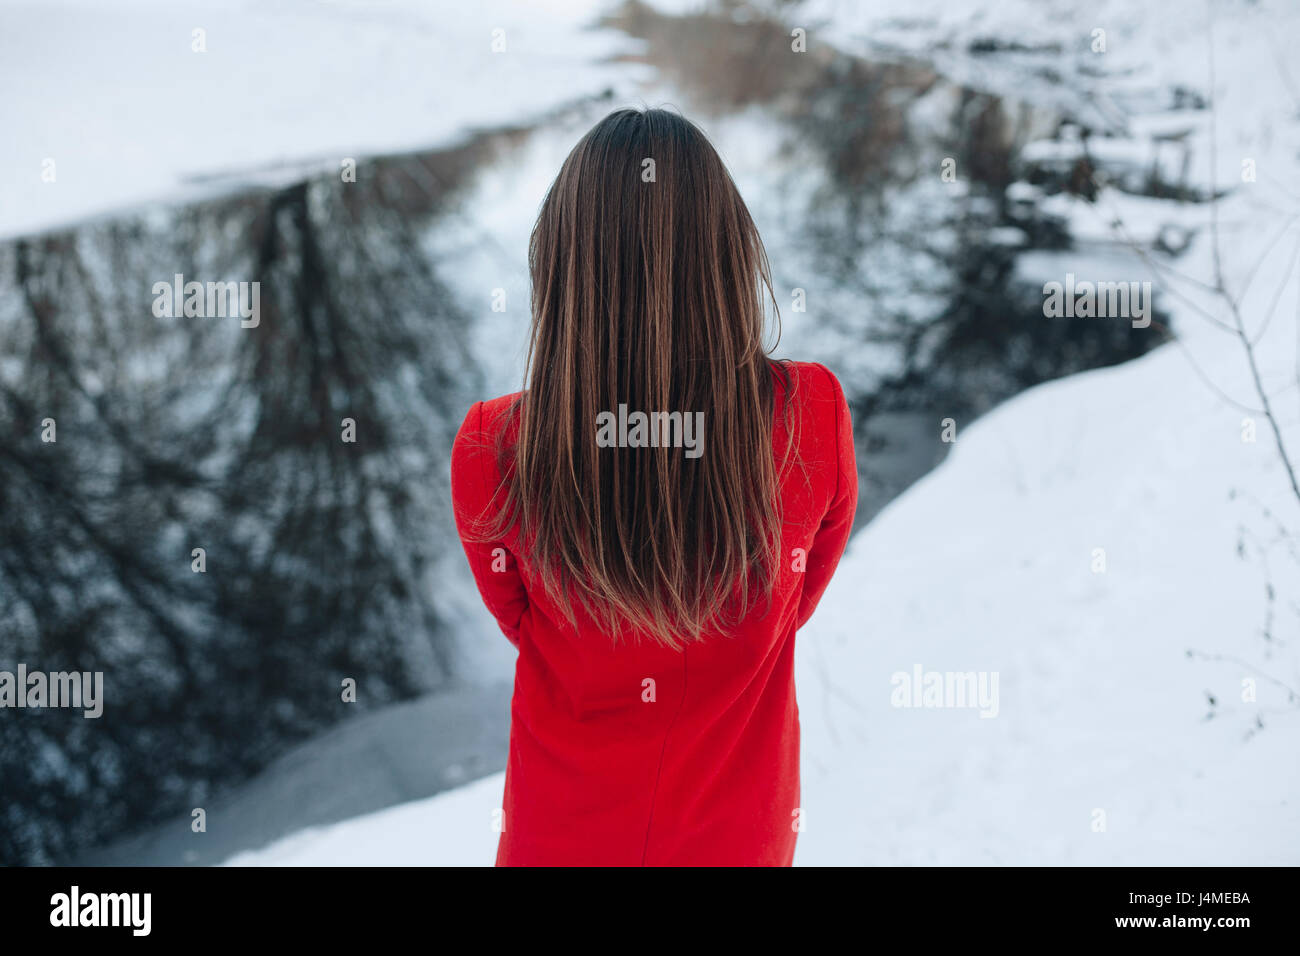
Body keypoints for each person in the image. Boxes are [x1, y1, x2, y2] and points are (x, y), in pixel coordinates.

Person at [451, 107, 857, 866]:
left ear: (562, 266)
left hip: (558, 837)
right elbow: (793, 603)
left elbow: (523, 622)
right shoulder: (813, 416)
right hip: (739, 837)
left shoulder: (491, 446)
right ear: (729, 254)